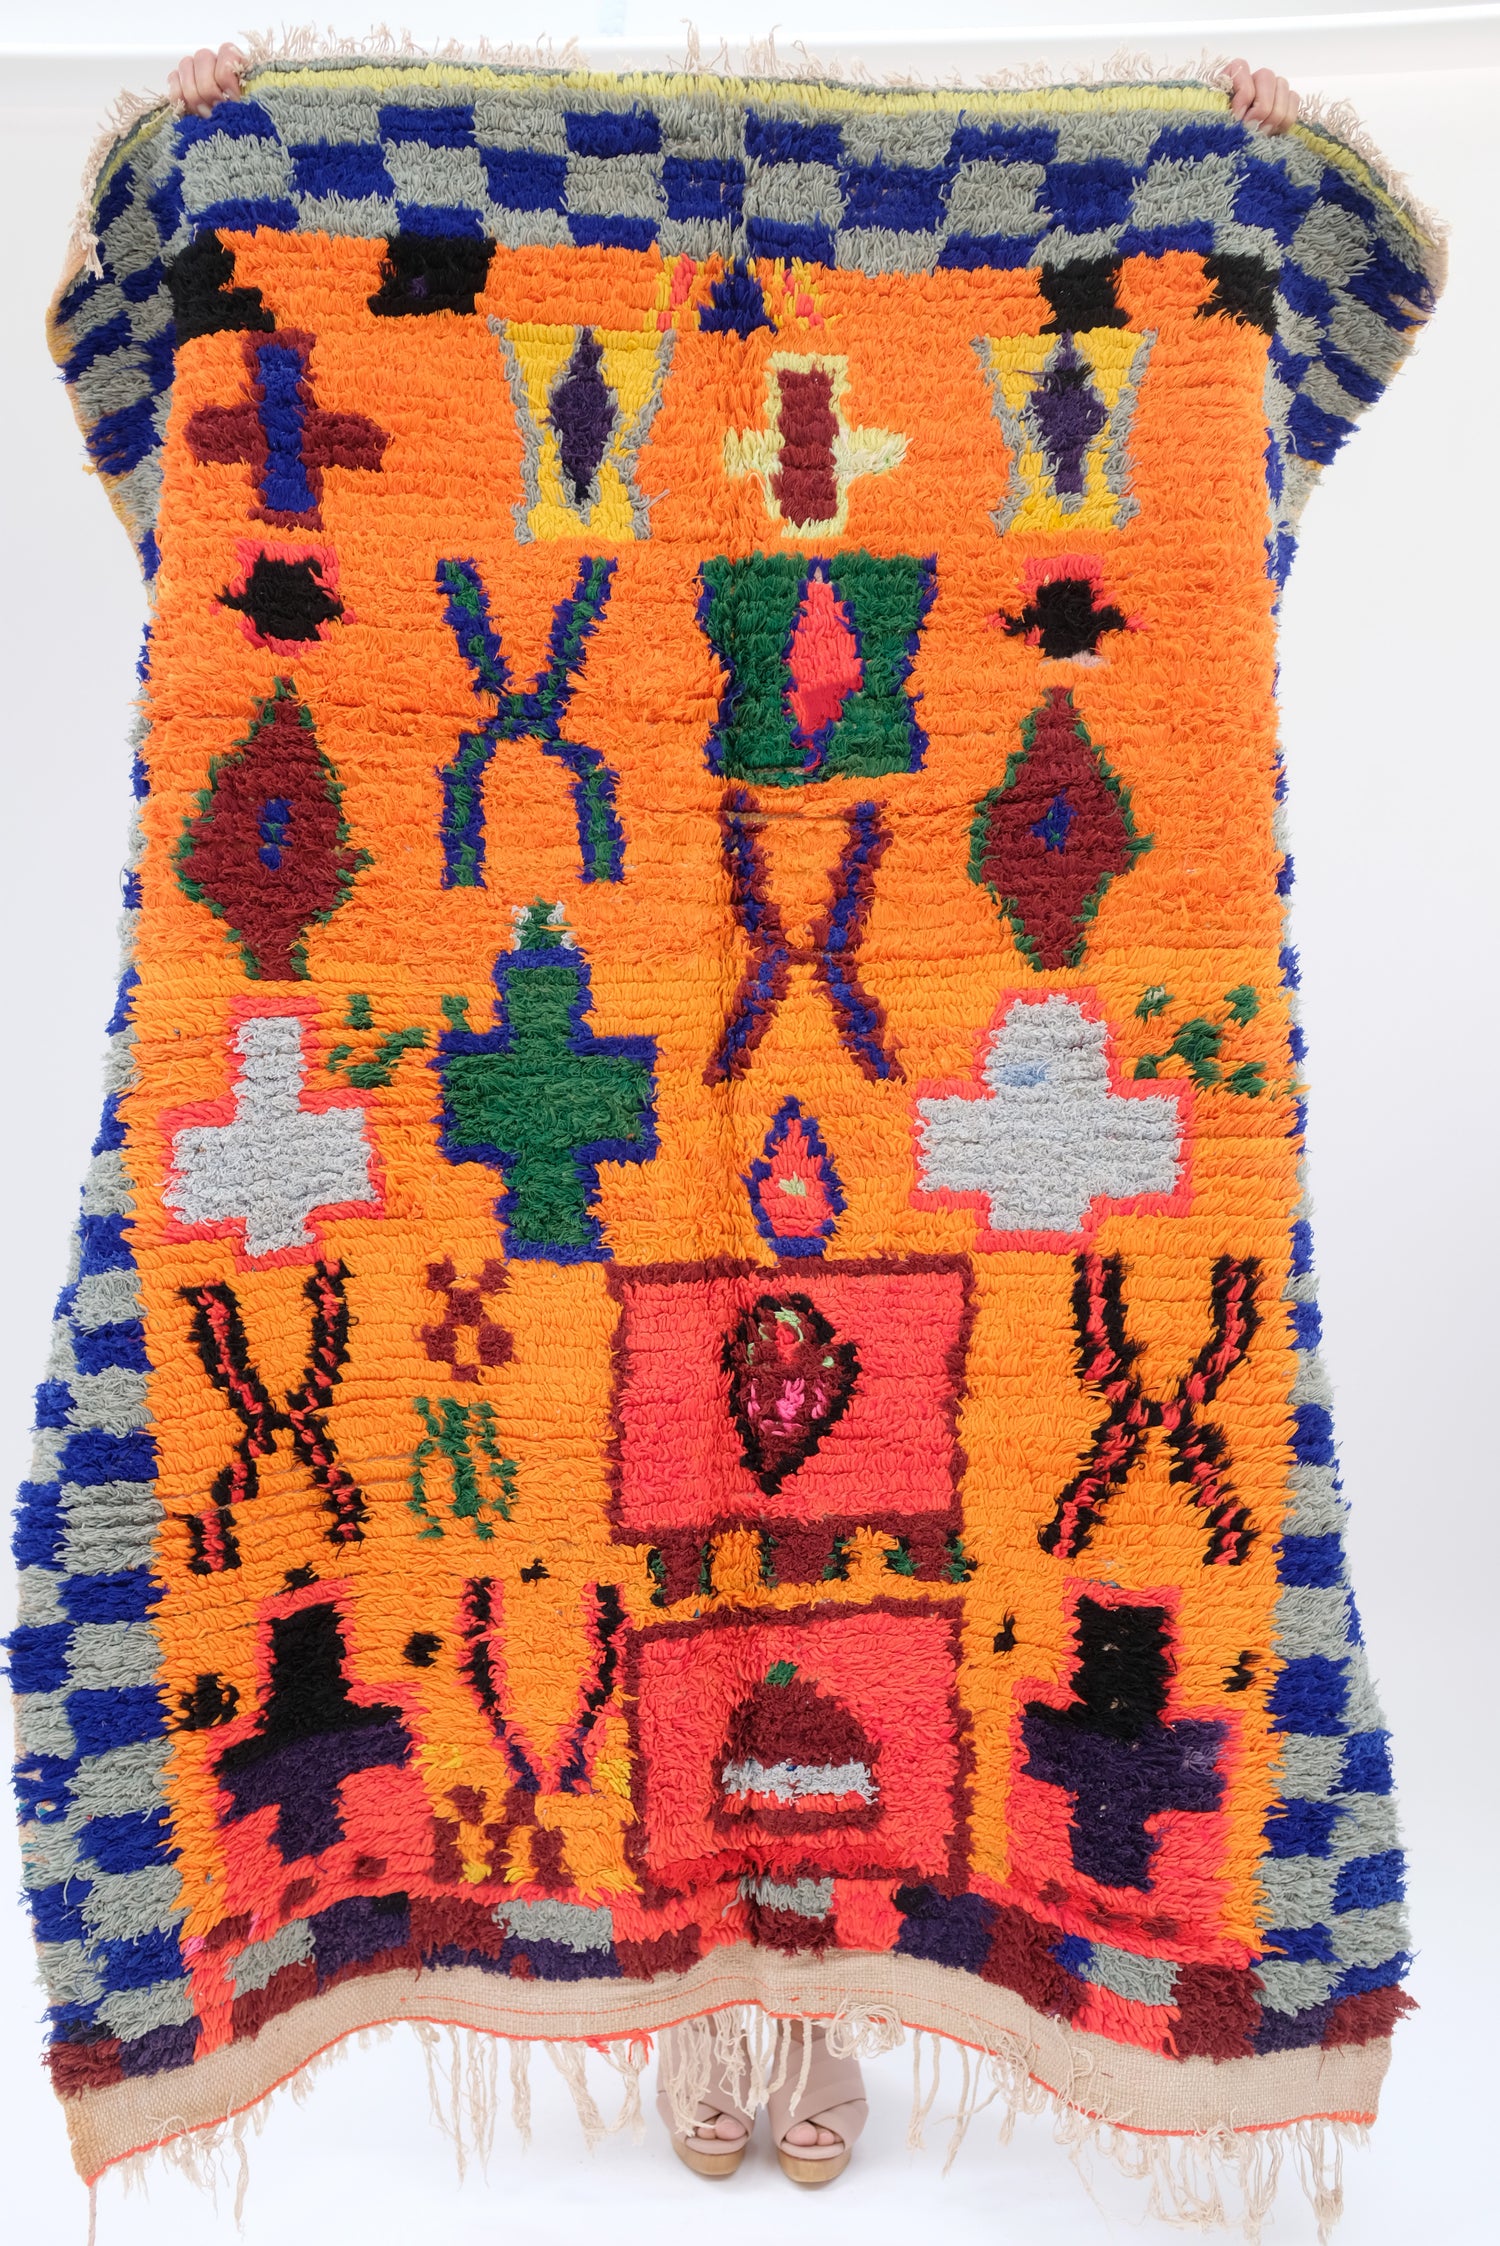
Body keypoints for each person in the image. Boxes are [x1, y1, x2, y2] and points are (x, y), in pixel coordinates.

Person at [156, 33, 1300, 2186]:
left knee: (825, 1560)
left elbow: (1210, 519)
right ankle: (701, 1972)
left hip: (895, 1045)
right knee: (636, 1519)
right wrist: (241, 186)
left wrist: (1209, 218)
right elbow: (186, 471)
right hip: (633, 1034)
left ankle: (830, 1977)